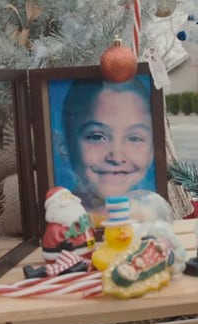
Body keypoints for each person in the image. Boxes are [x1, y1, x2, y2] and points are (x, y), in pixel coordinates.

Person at [57, 77, 155, 218]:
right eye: (97, 137)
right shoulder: (60, 217)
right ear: (64, 146)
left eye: (134, 138)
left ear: (152, 150)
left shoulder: (150, 216)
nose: (116, 157)